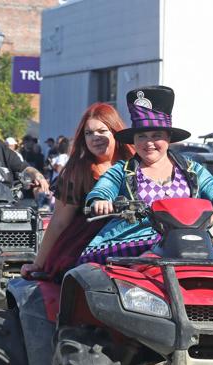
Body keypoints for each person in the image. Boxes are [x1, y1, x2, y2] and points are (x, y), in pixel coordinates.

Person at [80, 86, 213, 264]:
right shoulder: (121, 170)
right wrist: (100, 202)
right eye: (142, 136)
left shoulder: (192, 170)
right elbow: (101, 191)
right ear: (134, 140)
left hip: (190, 244)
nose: (149, 143)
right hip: (135, 243)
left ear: (168, 138)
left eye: (156, 135)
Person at [20, 103, 134, 281]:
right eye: (88, 133)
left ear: (115, 131)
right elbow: (58, 221)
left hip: (135, 244)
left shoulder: (136, 165)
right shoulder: (77, 171)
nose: (95, 137)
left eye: (102, 131)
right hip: (88, 251)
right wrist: (38, 263)